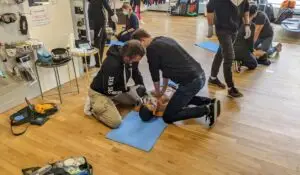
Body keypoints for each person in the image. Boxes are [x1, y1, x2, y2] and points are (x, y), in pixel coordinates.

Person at [132, 29, 220, 128]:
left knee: (168, 116)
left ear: (142, 40)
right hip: (200, 76)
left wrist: (158, 94)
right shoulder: (163, 39)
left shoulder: (151, 50)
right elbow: (165, 72)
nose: (140, 49)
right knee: (179, 98)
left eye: (139, 45)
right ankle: (208, 102)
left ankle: (206, 109)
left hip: (191, 82)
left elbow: (155, 76)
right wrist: (162, 91)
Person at [84, 40, 146, 128]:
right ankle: (93, 106)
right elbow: (108, 91)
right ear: (128, 57)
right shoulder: (112, 65)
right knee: (116, 122)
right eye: (135, 60)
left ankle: (111, 102)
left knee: (140, 92)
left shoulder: (129, 58)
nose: (136, 62)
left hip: (116, 89)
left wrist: (143, 91)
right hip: (102, 93)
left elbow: (136, 73)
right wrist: (127, 90)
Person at [207, 0, 251, 98]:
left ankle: (212, 78)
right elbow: (209, 8)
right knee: (229, 57)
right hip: (222, 29)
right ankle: (231, 88)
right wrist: (210, 26)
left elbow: (246, 11)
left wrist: (247, 25)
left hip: (235, 29)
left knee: (221, 52)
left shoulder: (244, 1)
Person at [88, 0, 118, 67]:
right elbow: (106, 5)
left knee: (104, 38)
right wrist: (112, 14)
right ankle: (98, 62)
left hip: (99, 20)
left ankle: (100, 60)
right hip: (98, 21)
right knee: (98, 41)